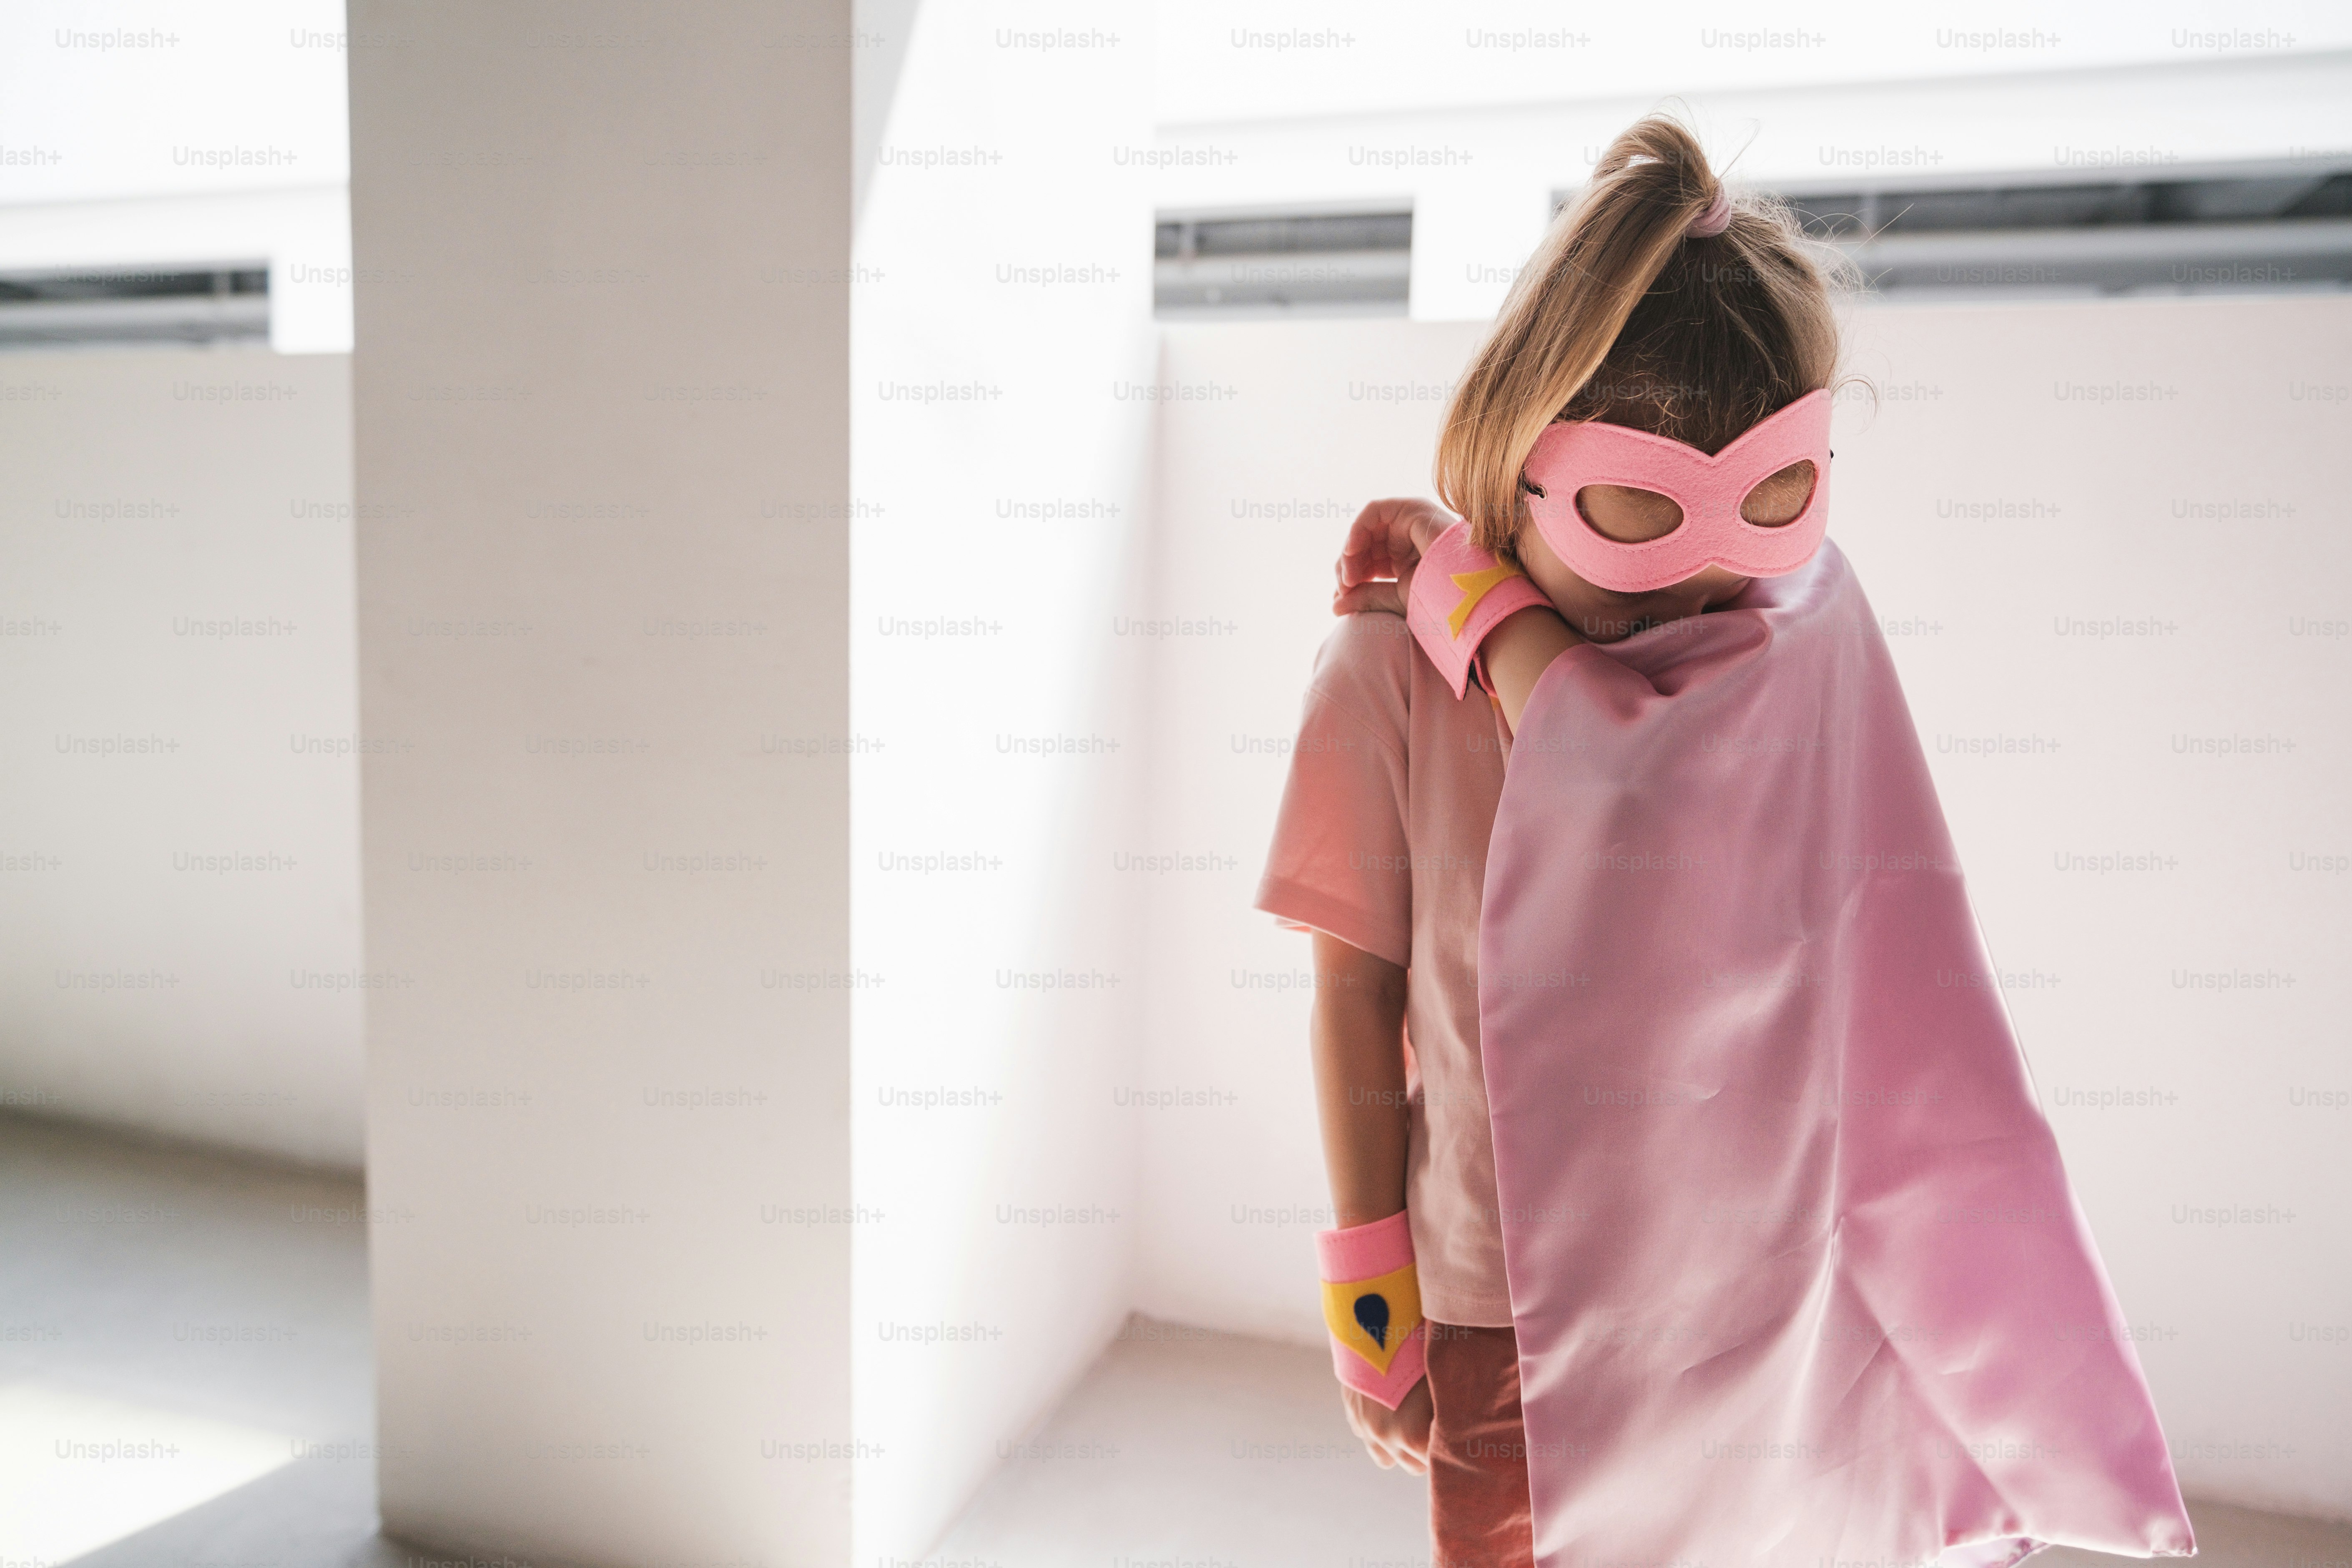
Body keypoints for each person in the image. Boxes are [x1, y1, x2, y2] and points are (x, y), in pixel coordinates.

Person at [1256, 113, 2194, 1568]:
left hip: (1762, 1281)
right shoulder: (1385, 675)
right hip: (1499, 1298)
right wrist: (1363, 1288)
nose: (1681, 630)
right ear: (1519, 461)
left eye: (1745, 550)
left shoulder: (1786, 630)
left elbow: (1777, 882)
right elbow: (1350, 988)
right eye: (1634, 569)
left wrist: (1495, 612)